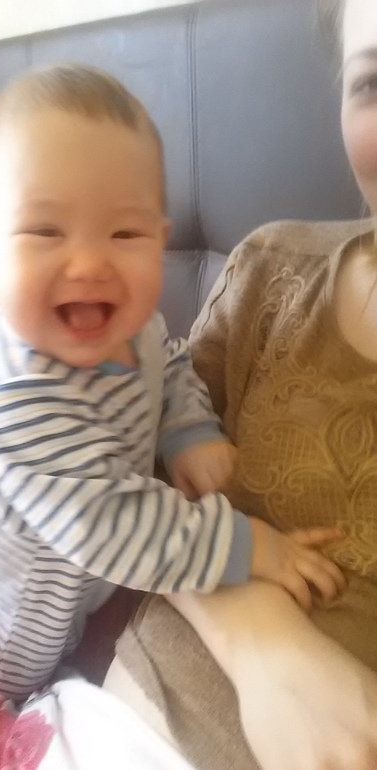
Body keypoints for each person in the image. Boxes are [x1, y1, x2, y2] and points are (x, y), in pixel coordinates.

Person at [0, 64, 342, 700]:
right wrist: (253, 548)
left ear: (159, 241)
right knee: (21, 694)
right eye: (45, 230)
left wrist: (189, 431)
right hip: (16, 624)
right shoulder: (21, 402)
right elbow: (115, 523)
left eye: (125, 232)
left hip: (92, 578)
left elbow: (171, 363)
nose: (88, 263)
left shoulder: (132, 325)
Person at [111, 1, 377, 769]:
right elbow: (119, 475)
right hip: (103, 720)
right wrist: (259, 637)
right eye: (373, 85)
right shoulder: (272, 271)